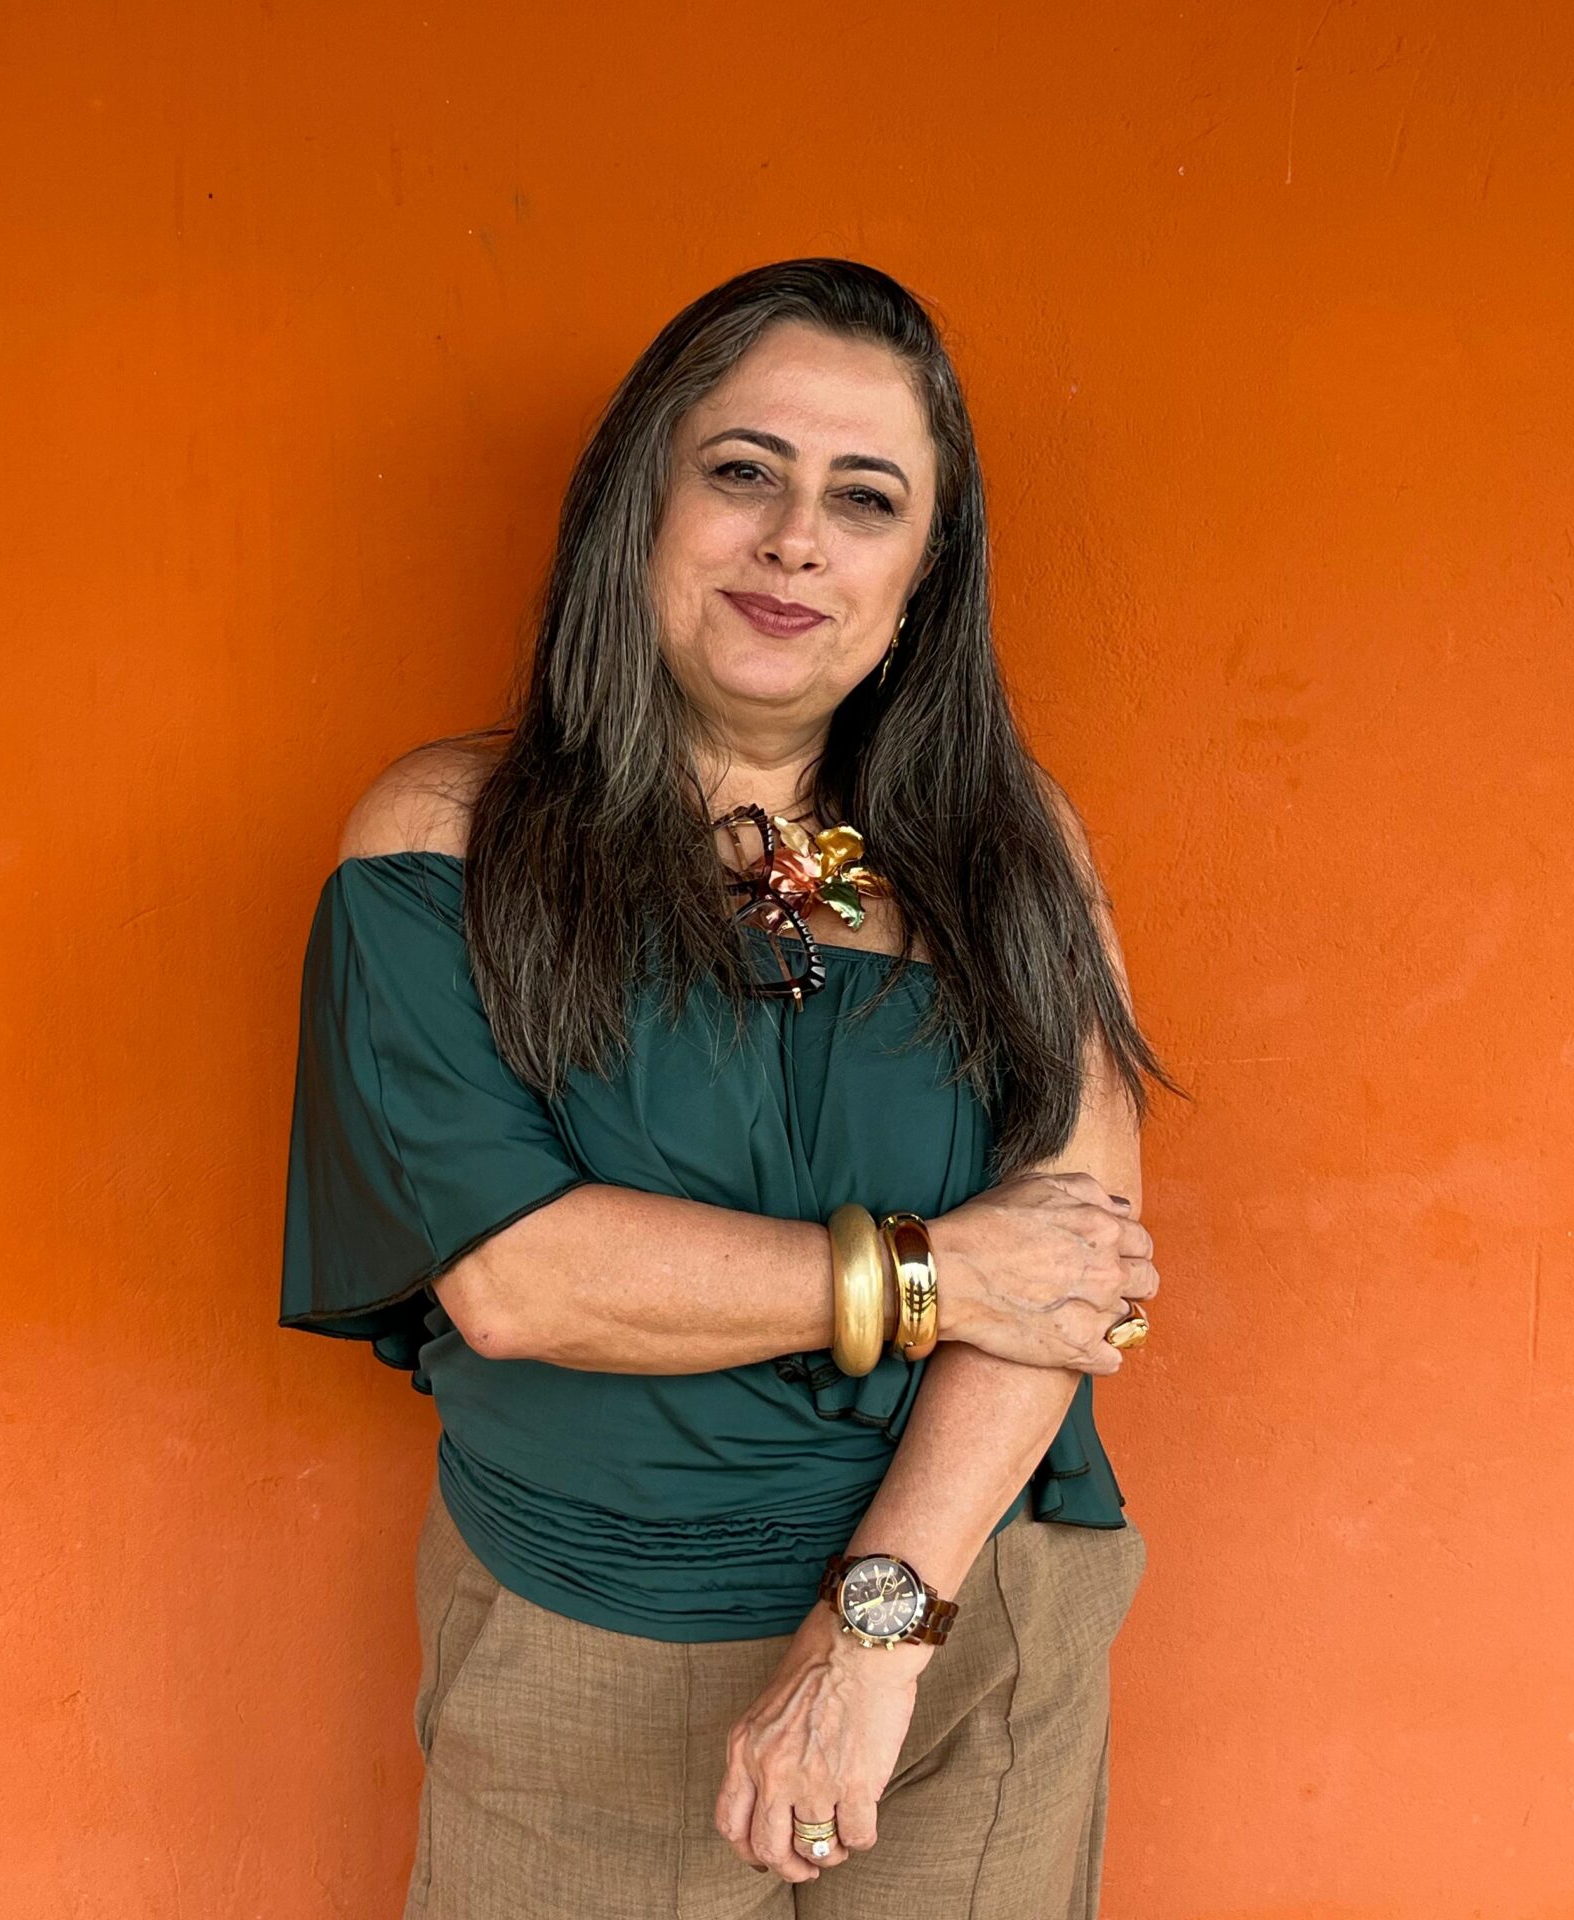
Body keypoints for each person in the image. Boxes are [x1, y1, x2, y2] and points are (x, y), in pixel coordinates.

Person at [280, 256, 1182, 1917]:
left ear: (918, 581)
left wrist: (875, 1631)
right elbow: (522, 1278)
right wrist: (944, 1269)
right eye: (745, 471)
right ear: (640, 508)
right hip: (591, 1642)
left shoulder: (1016, 847)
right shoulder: (444, 841)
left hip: (966, 1619)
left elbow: (1074, 1275)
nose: (796, 540)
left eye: (866, 498)